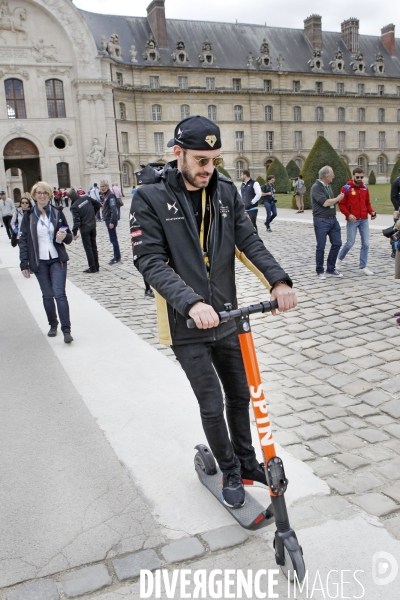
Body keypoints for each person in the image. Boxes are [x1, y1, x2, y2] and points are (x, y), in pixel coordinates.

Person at [130, 115, 296, 508]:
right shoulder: (149, 197)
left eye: (215, 160)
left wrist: (278, 281)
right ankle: (230, 471)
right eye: (202, 161)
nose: (209, 169)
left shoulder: (224, 191)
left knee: (241, 395)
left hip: (228, 315)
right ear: (179, 154)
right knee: (212, 402)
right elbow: (150, 261)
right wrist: (191, 302)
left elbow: (248, 241)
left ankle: (247, 459)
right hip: (185, 322)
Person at [19, 181, 74, 343]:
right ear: (34, 195)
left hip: (57, 259)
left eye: (45, 193)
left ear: (49, 195)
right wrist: (24, 263)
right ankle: (53, 324)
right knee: (47, 295)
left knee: (60, 294)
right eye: (39, 193)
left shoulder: (57, 212)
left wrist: (64, 236)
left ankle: (66, 330)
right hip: (39, 261)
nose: (42, 195)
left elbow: (68, 236)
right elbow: (23, 241)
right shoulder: (28, 216)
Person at [336, 168, 376, 275]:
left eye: (361, 177)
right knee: (350, 243)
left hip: (363, 220)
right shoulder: (346, 188)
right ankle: (339, 260)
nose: (359, 179)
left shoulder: (365, 188)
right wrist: (348, 215)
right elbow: (341, 204)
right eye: (357, 177)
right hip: (352, 220)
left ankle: (363, 266)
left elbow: (367, 203)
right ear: (353, 176)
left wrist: (371, 212)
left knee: (366, 244)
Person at [311, 165, 344, 280]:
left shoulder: (328, 185)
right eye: (332, 175)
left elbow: (330, 201)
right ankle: (320, 270)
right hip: (321, 220)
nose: (333, 176)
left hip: (332, 219)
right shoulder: (316, 187)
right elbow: (325, 203)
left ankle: (331, 268)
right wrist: (338, 199)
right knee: (321, 246)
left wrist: (335, 200)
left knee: (337, 243)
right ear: (326, 176)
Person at [69, 188, 99, 273]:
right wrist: (93, 214)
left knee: (88, 248)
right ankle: (96, 266)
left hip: (85, 228)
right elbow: (97, 204)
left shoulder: (74, 206)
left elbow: (76, 221)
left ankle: (92, 267)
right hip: (92, 225)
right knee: (94, 246)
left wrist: (74, 233)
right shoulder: (86, 198)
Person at [100, 180, 120, 264]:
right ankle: (116, 255)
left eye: (103, 186)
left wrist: (112, 221)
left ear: (107, 186)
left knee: (113, 239)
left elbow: (113, 209)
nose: (101, 188)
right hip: (107, 218)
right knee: (112, 239)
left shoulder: (110, 195)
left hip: (110, 219)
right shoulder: (105, 195)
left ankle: (117, 257)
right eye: (101, 186)